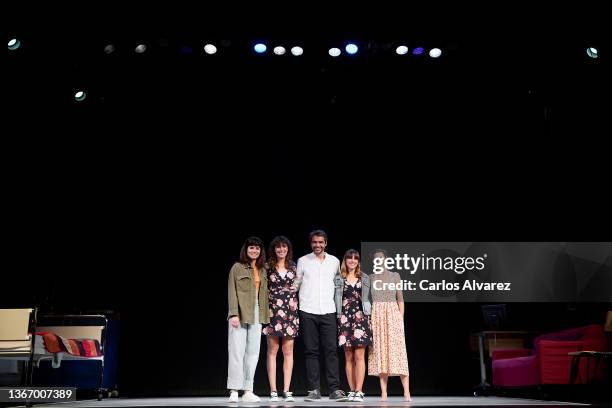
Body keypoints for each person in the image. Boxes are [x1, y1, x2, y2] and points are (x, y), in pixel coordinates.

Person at [293, 230, 348, 402]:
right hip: (307, 309)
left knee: (331, 350)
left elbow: (339, 286)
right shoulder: (303, 261)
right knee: (311, 351)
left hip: (328, 310)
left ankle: (334, 389)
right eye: (314, 242)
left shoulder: (334, 261)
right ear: (311, 243)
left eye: (320, 242)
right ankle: (314, 390)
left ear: (326, 243)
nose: (317, 245)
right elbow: (296, 283)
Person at [227, 236, 269, 403]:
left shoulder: (263, 269)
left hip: (257, 312)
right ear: (246, 250)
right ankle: (234, 390)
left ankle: (248, 390)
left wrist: (266, 317)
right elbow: (232, 291)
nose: (254, 251)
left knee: (253, 353)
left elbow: (265, 295)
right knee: (237, 351)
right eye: (251, 248)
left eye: (257, 248)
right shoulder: (237, 267)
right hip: (240, 312)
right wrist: (233, 313)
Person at [368, 249, 411, 401]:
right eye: (375, 259)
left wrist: (401, 318)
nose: (378, 261)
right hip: (377, 316)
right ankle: (384, 392)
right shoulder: (371, 278)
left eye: (380, 258)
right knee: (381, 353)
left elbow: (400, 299)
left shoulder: (395, 276)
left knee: (398, 353)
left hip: (393, 314)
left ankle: (406, 392)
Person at [262, 236, 299, 402]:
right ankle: (273, 390)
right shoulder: (267, 267)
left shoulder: (294, 267)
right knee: (272, 351)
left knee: (288, 352)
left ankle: (286, 390)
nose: (281, 250)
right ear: (274, 250)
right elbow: (262, 290)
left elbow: (299, 287)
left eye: (284, 247)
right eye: (278, 247)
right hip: (273, 312)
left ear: (288, 249)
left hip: (290, 312)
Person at [335, 249, 373, 402]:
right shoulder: (339, 278)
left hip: (360, 317)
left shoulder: (364, 277)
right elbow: (336, 297)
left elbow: (368, 298)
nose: (352, 260)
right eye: (349, 258)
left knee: (359, 356)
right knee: (348, 357)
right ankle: (351, 390)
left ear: (358, 261)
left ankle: (359, 390)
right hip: (344, 318)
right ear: (345, 260)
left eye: (355, 258)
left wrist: (369, 316)